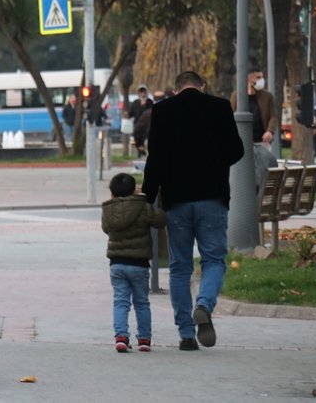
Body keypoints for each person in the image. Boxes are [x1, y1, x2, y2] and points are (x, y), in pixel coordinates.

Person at [142, 71, 243, 351]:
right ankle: (204, 304)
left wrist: (148, 196)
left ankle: (186, 334)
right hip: (212, 197)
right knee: (213, 260)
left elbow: (156, 157)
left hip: (177, 200)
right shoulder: (220, 106)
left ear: (176, 91)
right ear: (202, 86)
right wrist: (215, 159)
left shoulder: (162, 111)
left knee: (179, 267)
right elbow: (237, 151)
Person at [101, 173, 167, 353]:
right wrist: (144, 199)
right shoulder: (143, 208)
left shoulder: (108, 210)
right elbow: (161, 220)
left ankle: (121, 337)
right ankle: (144, 339)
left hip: (116, 263)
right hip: (139, 263)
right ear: (133, 190)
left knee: (120, 302)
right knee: (142, 302)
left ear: (112, 193)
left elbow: (106, 229)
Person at [229, 66, 279, 192]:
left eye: (262, 77)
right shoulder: (237, 96)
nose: (262, 80)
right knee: (244, 174)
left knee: (263, 173)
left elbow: (273, 116)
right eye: (258, 77)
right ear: (249, 78)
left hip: (262, 142)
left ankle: (261, 199)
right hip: (242, 143)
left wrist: (270, 131)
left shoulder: (267, 96)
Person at [128, 86, 154, 157]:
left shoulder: (150, 102)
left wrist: (144, 105)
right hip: (138, 128)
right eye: (141, 92)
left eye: (144, 92)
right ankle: (141, 157)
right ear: (139, 94)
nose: (143, 94)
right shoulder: (135, 103)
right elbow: (130, 114)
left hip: (148, 128)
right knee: (140, 146)